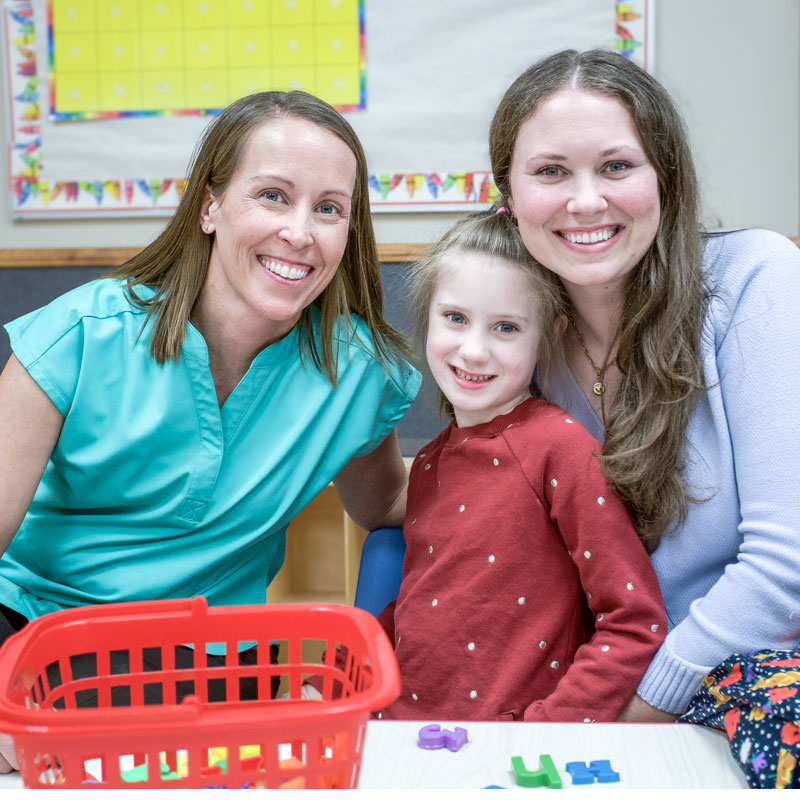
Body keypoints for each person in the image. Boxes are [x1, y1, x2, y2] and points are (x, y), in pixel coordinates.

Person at [0, 90, 420, 770]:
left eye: (329, 208)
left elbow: (386, 506)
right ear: (210, 207)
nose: (301, 232)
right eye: (273, 196)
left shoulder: (361, 372)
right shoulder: (80, 336)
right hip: (38, 631)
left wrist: (533, 478)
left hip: (216, 662)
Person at [488, 48, 800, 722]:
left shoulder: (758, 278)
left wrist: (638, 711)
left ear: (666, 178)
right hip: (589, 681)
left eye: (616, 166)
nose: (586, 200)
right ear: (509, 197)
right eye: (549, 172)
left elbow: (786, 566)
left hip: (742, 672)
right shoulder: (510, 330)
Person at [374, 210, 666, 722]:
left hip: (512, 755)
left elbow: (634, 621)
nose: (473, 349)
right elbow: (422, 604)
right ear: (428, 317)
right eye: (456, 319)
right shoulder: (427, 464)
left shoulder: (561, 450)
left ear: (547, 334)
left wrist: (549, 729)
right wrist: (327, 676)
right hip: (404, 741)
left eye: (505, 327)